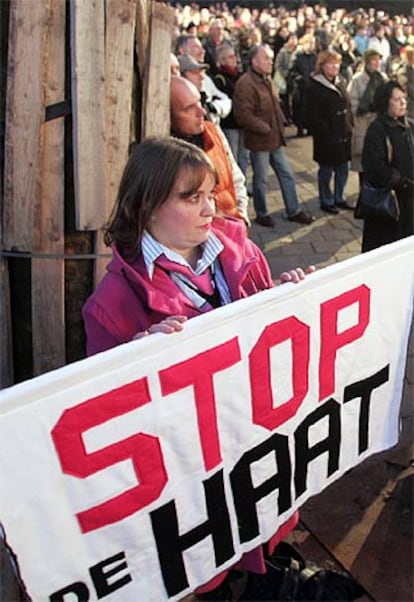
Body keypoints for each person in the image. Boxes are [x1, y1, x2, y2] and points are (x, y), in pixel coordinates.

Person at [82, 135, 314, 596]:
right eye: (192, 198)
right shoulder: (111, 304)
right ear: (146, 206)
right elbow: (107, 414)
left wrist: (287, 298)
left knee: (258, 519)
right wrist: (135, 359)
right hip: (192, 463)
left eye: (210, 194)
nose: (210, 209)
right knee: (213, 552)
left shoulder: (240, 251)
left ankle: (268, 569)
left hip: (249, 431)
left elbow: (267, 327)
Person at [233, 44, 315, 228]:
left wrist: (281, 121)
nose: (270, 61)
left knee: (286, 174)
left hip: (275, 138)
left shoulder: (267, 79)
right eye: (266, 58)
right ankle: (261, 213)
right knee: (261, 179)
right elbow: (243, 115)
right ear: (254, 61)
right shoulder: (245, 83)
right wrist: (264, 127)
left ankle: (293, 210)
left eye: (271, 58)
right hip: (260, 140)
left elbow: (275, 104)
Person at [170, 75, 249, 225]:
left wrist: (242, 218)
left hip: (232, 229)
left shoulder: (213, 133)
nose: (201, 111)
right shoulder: (167, 157)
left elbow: (236, 179)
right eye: (188, 108)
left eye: (199, 102)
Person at [361, 80, 414, 252]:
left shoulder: (409, 126)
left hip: (409, 201)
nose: (402, 103)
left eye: (403, 99)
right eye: (397, 99)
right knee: (386, 248)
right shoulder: (377, 129)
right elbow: (375, 167)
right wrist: (402, 182)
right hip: (389, 203)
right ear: (386, 102)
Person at [307, 49, 354, 214]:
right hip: (327, 136)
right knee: (326, 170)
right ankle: (326, 200)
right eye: (331, 63)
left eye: (337, 63)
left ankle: (339, 197)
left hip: (343, 133)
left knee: (343, 168)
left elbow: (347, 106)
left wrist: (350, 125)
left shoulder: (341, 81)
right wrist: (325, 131)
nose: (335, 67)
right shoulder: (315, 86)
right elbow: (312, 114)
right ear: (322, 65)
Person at [347, 49, 387, 190]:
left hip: (380, 123)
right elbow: (352, 101)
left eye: (378, 60)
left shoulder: (382, 77)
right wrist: (367, 110)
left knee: (380, 158)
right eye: (373, 60)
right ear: (367, 62)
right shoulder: (357, 79)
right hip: (363, 124)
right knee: (363, 161)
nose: (377, 63)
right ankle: (364, 193)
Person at [175, 33, 232, 125]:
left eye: (202, 47)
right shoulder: (177, 81)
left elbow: (225, 100)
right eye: (196, 47)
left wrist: (214, 107)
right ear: (182, 50)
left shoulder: (206, 78)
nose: (202, 51)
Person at [213, 43, 249, 176]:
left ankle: (243, 185)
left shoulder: (240, 76)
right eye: (230, 57)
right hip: (230, 123)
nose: (234, 59)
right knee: (232, 156)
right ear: (222, 60)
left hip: (242, 122)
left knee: (244, 156)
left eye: (234, 56)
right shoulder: (220, 79)